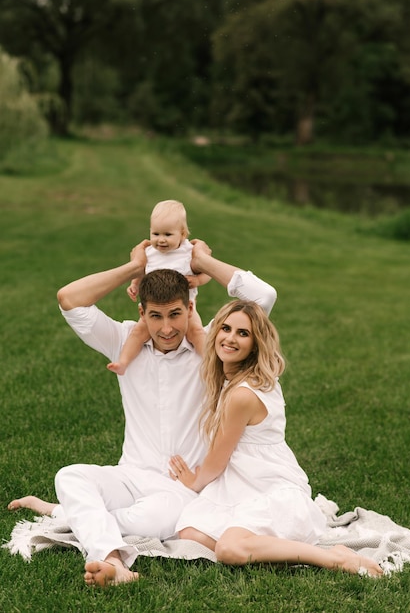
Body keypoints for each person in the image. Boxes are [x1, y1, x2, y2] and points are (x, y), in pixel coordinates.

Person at [8, 239, 277, 587]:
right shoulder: (123, 342)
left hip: (179, 489)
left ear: (190, 309)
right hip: (131, 474)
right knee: (70, 476)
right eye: (155, 316)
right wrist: (134, 268)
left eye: (175, 315)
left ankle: (74, 524)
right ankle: (113, 562)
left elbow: (264, 297)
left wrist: (202, 261)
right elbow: (69, 299)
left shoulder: (212, 346)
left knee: (146, 521)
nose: (166, 328)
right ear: (141, 312)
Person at [169, 300, 383, 577]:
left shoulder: (242, 394)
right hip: (244, 485)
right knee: (190, 534)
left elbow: (217, 461)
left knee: (227, 550)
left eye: (242, 333)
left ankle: (333, 558)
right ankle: (275, 548)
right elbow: (204, 338)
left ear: (255, 344)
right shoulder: (242, 373)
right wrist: (190, 311)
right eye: (225, 328)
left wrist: (193, 481)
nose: (230, 338)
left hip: (272, 490)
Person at [107, 200, 210, 375]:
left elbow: (208, 272)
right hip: (155, 307)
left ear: (182, 234)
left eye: (168, 234)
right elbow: (141, 271)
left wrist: (198, 280)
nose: (161, 240)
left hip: (185, 306)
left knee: (196, 332)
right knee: (139, 331)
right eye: (155, 234)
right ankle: (123, 362)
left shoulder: (188, 251)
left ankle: (210, 363)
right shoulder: (148, 253)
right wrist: (134, 284)